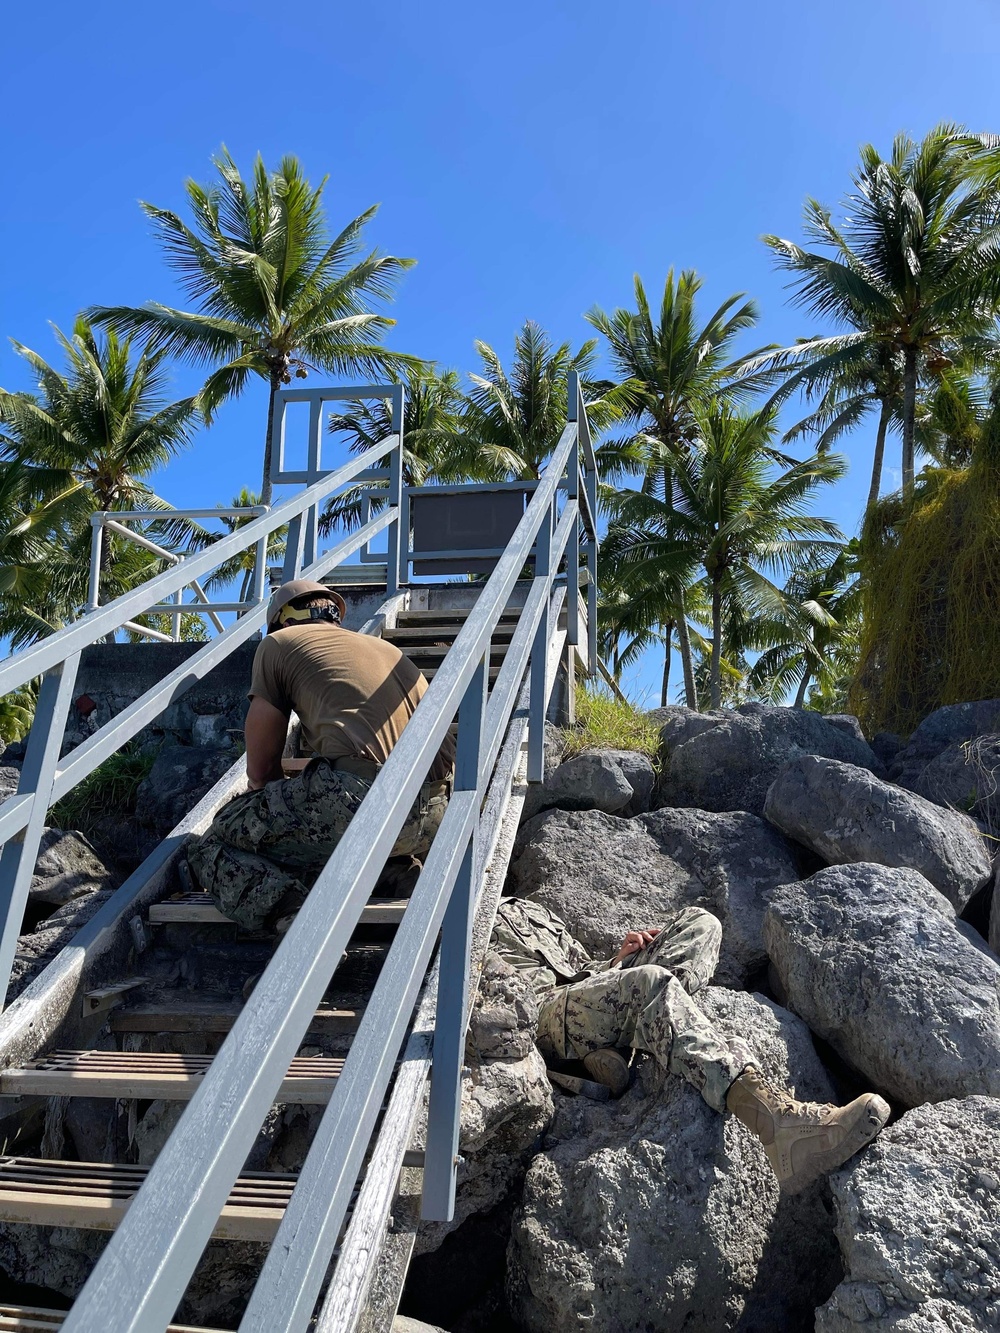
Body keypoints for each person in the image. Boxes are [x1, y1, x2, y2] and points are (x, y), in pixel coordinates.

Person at [492, 896, 890, 1194]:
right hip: (542, 1017)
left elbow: (575, 968)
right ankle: (774, 1122)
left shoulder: (527, 909)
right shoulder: (459, 922)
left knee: (702, 922)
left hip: (584, 997)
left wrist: (616, 963)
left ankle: (632, 1033)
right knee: (649, 982)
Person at [187, 579, 455, 933]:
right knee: (309, 823)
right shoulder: (386, 650)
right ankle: (390, 873)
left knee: (218, 834)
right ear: (333, 615)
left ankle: (297, 925)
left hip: (361, 803)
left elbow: (261, 770)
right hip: (436, 812)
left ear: (283, 620)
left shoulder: (278, 643)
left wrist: (272, 798)